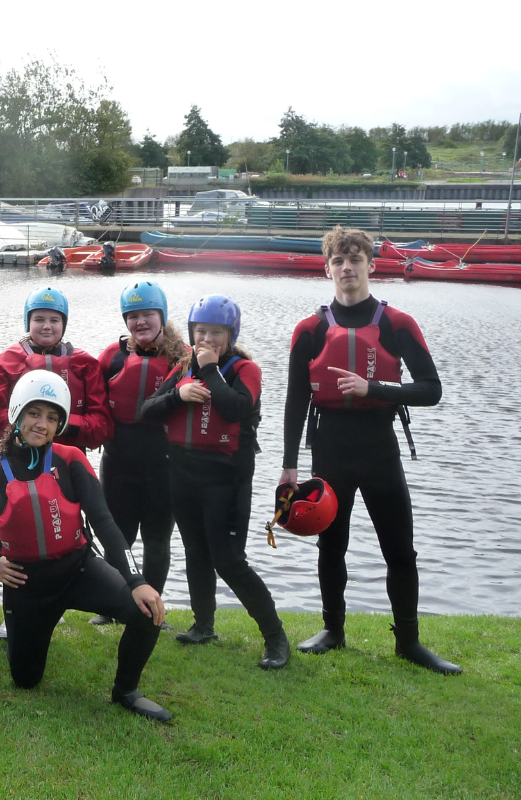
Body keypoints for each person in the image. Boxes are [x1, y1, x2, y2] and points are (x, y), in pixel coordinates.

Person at [0, 371, 171, 721]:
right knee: (25, 680)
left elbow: (105, 523)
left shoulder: (71, 459)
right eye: (34, 413)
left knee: (146, 610)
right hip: (27, 585)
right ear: (17, 413)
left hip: (78, 569)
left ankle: (126, 691)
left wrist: (137, 581)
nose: (42, 424)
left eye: (52, 417)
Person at [281, 226, 459, 674]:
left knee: (400, 549)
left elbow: (431, 389)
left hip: (380, 445)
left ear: (371, 265)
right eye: (338, 261)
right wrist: (288, 466)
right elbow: (295, 402)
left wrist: (374, 388)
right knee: (331, 544)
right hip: (330, 447)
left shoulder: (398, 323)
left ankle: (410, 642)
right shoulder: (310, 330)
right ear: (327, 269)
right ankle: (333, 631)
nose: (347, 268)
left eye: (355, 259)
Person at [140, 295, 289, 670]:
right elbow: (147, 412)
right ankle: (203, 625)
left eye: (216, 333)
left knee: (229, 561)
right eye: (200, 331)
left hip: (227, 480)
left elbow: (236, 408)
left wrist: (208, 371)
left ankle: (275, 638)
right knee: (196, 553)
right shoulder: (183, 369)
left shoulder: (244, 370)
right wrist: (178, 394)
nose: (206, 339)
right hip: (184, 473)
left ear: (230, 334)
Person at [93, 281, 187, 625]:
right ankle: (114, 606)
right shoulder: (113, 357)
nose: (140, 322)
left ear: (161, 315)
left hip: (165, 466)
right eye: (133, 316)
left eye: (148, 314)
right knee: (119, 538)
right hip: (118, 462)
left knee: (157, 541)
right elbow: (95, 406)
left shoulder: (184, 359)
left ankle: (152, 613)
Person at [0, 286, 111, 451]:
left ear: (63, 324)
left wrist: (60, 425)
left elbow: (101, 425)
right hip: (20, 451)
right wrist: (32, 428)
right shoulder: (6, 362)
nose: (47, 326)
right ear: (28, 322)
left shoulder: (85, 364)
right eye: (39, 320)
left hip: (68, 453)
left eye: (54, 320)